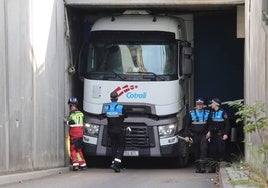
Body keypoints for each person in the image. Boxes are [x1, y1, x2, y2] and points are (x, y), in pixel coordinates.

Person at [185, 98, 210, 173]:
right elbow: (187, 125)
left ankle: (202, 167)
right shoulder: (191, 113)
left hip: (204, 135)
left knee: (204, 150)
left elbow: (210, 124)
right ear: (196, 105)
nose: (199, 106)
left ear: (203, 105)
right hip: (194, 135)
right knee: (196, 152)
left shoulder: (207, 113)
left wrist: (209, 132)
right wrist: (186, 135)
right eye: (198, 104)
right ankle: (197, 167)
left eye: (201, 104)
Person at [207, 98, 230, 173]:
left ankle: (227, 162)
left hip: (221, 134)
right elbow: (210, 123)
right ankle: (213, 168)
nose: (211, 104)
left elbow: (227, 125)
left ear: (216, 104)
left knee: (221, 150)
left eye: (212, 103)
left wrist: (226, 134)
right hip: (213, 135)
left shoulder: (223, 112)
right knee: (213, 151)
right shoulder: (211, 112)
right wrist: (209, 132)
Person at [104, 91, 126, 173]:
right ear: (117, 98)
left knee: (113, 146)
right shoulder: (120, 107)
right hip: (118, 130)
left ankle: (114, 164)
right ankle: (116, 164)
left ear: (110, 98)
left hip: (110, 130)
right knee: (121, 146)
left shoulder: (107, 108)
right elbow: (125, 115)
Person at [65, 97, 87, 171]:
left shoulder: (72, 114)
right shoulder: (81, 113)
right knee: (78, 149)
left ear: (71, 105)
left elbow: (72, 122)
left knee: (73, 149)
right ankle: (83, 164)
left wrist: (66, 122)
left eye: (70, 106)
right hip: (80, 134)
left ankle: (75, 164)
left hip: (74, 134)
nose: (70, 107)